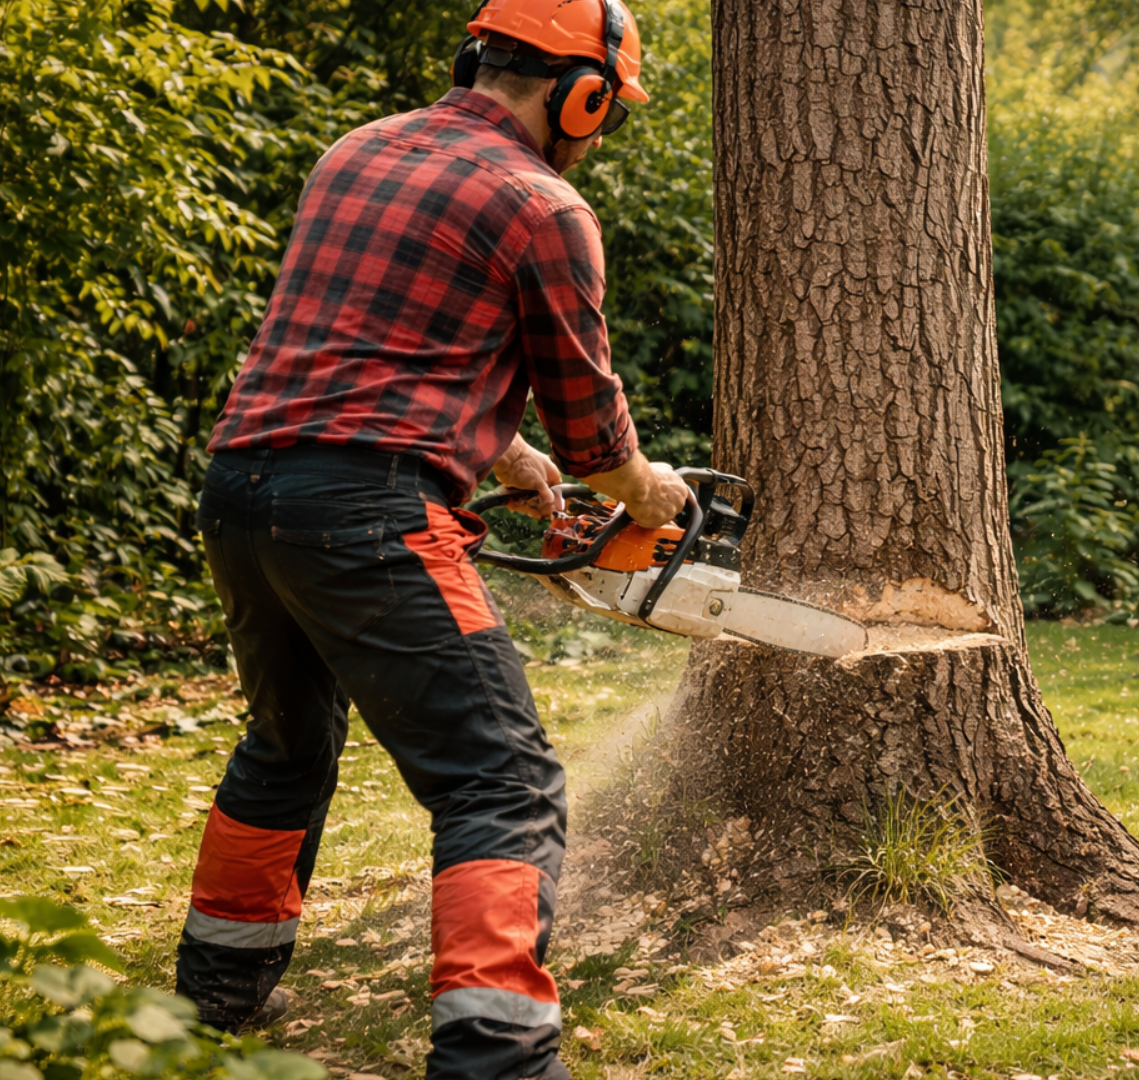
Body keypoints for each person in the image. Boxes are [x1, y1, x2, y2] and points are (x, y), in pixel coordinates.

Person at [176, 0, 689, 1076]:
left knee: (286, 743)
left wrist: (506, 458)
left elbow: (370, 345)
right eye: (608, 112)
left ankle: (214, 994)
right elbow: (593, 427)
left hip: (242, 488)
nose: (602, 134)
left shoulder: (357, 151)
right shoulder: (543, 203)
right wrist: (650, 497)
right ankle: (495, 1060)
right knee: (504, 783)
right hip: (371, 513)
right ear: (578, 91)